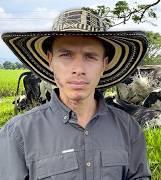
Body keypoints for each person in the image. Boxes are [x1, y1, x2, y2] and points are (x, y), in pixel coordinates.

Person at [0, 8, 151, 179]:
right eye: (66, 55)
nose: (78, 70)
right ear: (50, 60)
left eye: (90, 56)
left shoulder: (129, 129)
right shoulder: (17, 134)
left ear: (104, 64)